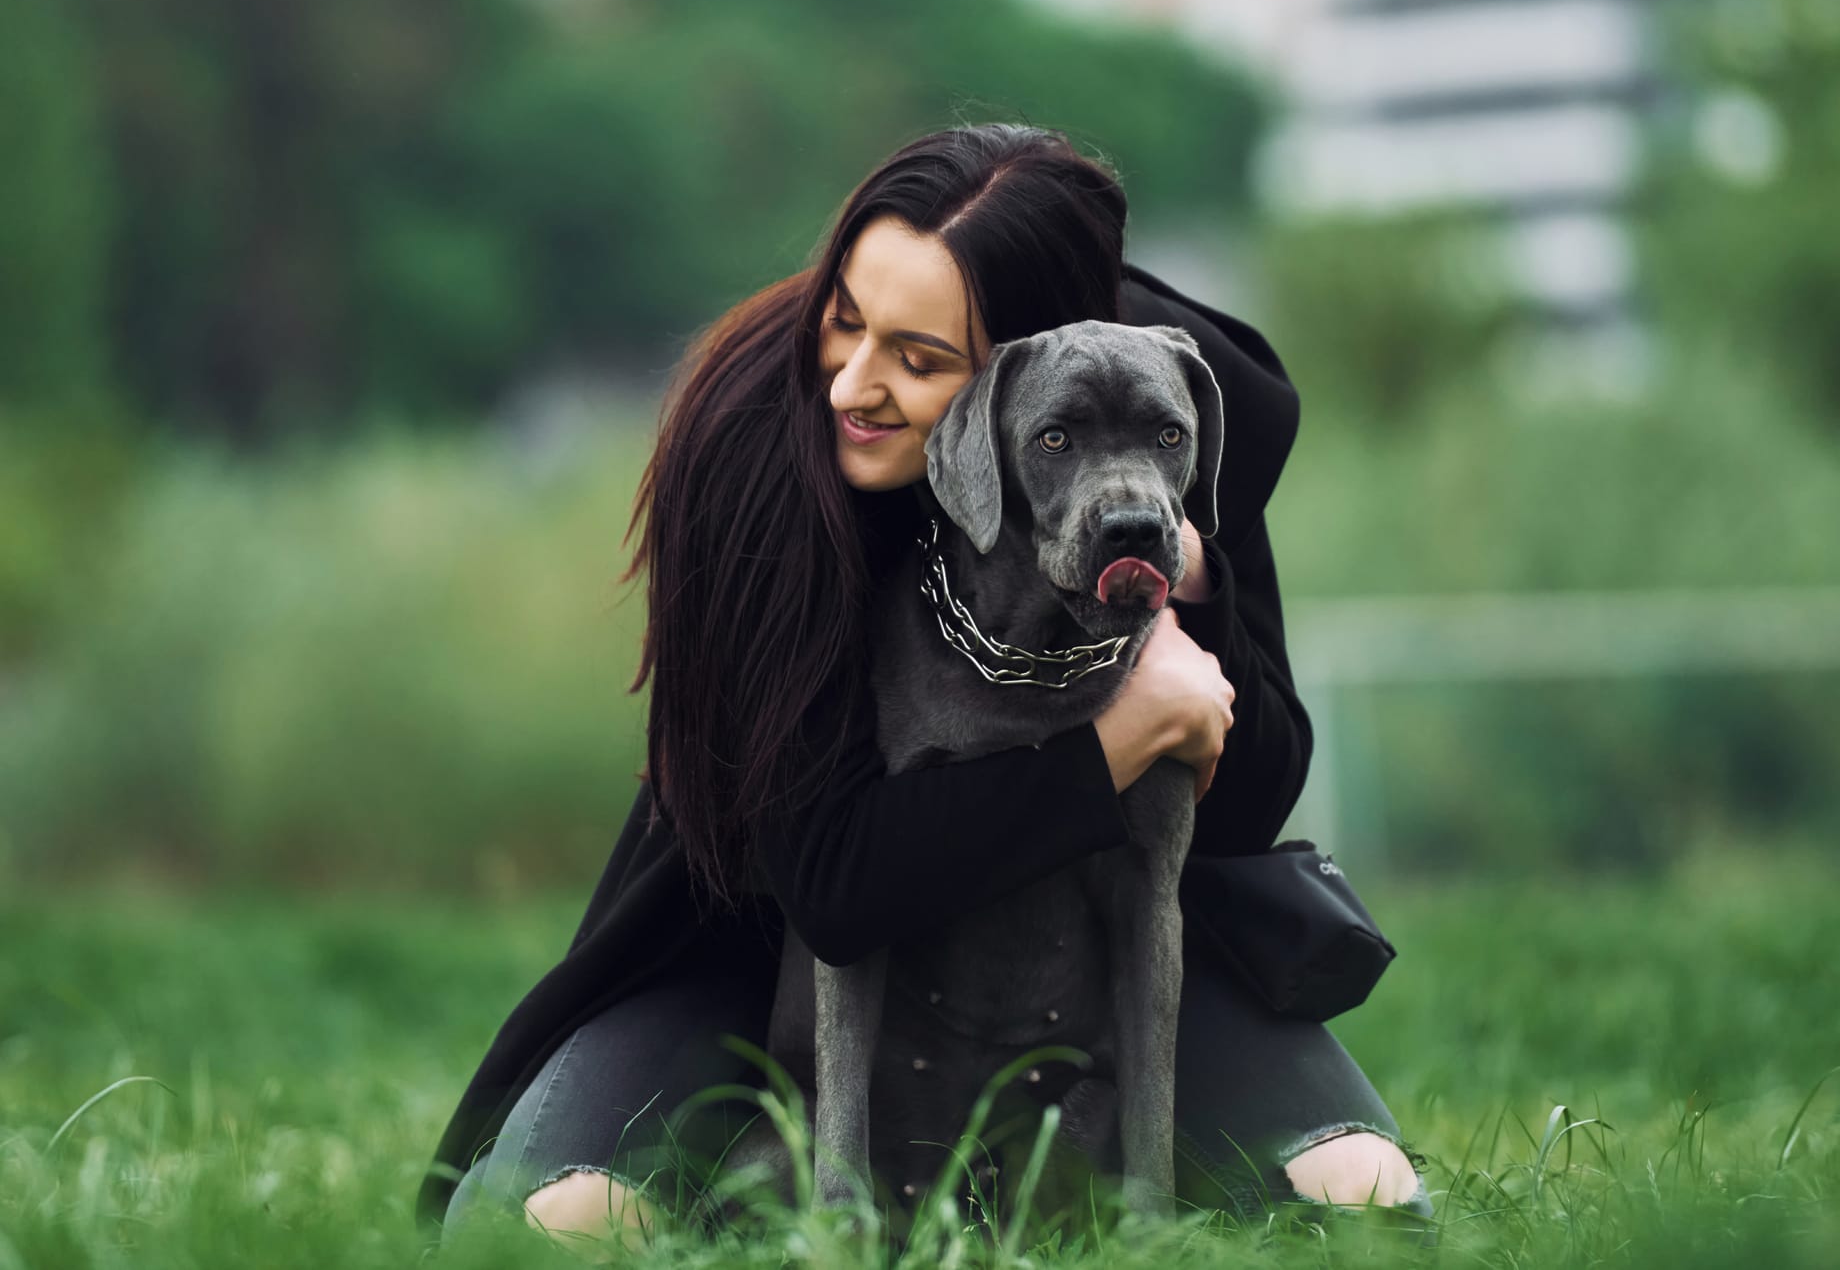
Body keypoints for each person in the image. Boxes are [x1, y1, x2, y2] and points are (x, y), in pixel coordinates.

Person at [418, 123, 1429, 1256]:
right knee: (559, 1227)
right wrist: (1108, 745)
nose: (853, 381)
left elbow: (1245, 807)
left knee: (1368, 1198)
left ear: (1020, 351)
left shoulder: (1165, 412)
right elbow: (833, 886)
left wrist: (1197, 590)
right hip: (757, 962)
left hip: (1094, 967)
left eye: (918, 356)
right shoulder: (759, 449)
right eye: (844, 318)